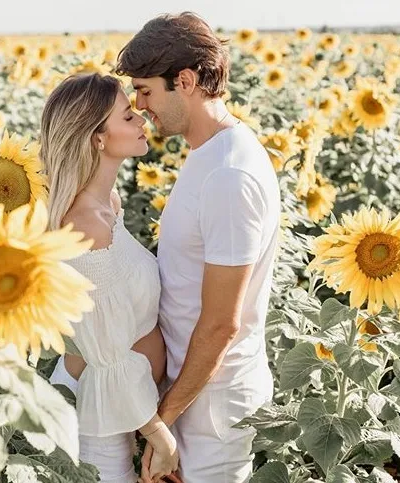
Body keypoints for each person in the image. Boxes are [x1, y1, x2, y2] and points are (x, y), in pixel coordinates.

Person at [115, 11, 280, 483]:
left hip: (212, 406)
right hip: (193, 390)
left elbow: (220, 325)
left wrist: (162, 421)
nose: (140, 104)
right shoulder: (210, 153)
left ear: (184, 81)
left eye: (145, 90)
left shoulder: (229, 175)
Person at [42, 73, 180, 483]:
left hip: (122, 410)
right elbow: (104, 356)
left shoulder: (107, 206)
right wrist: (159, 436)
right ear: (96, 138)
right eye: (127, 115)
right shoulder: (84, 225)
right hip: (99, 417)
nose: (141, 119)